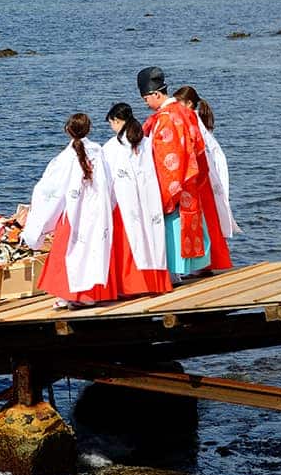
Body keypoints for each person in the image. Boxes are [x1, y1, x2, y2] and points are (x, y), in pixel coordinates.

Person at [23, 113, 116, 308]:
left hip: (72, 214)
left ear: (68, 130)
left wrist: (40, 219)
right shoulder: (99, 152)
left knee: (66, 253)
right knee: (91, 251)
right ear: (89, 129)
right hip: (95, 212)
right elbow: (109, 183)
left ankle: (67, 295)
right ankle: (89, 294)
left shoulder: (64, 158)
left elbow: (49, 190)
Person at [137, 67, 210, 282]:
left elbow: (165, 153)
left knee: (171, 224)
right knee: (187, 221)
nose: (145, 104)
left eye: (145, 99)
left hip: (174, 176)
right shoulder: (183, 111)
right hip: (190, 173)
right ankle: (193, 266)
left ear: (156, 94)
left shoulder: (167, 118)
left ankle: (173, 272)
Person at [103, 103, 172, 296]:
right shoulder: (147, 142)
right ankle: (155, 282)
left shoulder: (112, 147)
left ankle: (131, 285)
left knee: (129, 240)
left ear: (117, 121)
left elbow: (106, 177)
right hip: (149, 197)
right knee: (151, 238)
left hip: (125, 200)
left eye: (111, 123)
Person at [173, 85, 240, 269]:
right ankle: (214, 262)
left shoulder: (191, 121)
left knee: (205, 222)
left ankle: (209, 263)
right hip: (205, 177)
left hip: (200, 178)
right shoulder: (197, 122)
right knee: (209, 221)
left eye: (179, 104)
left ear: (188, 103)